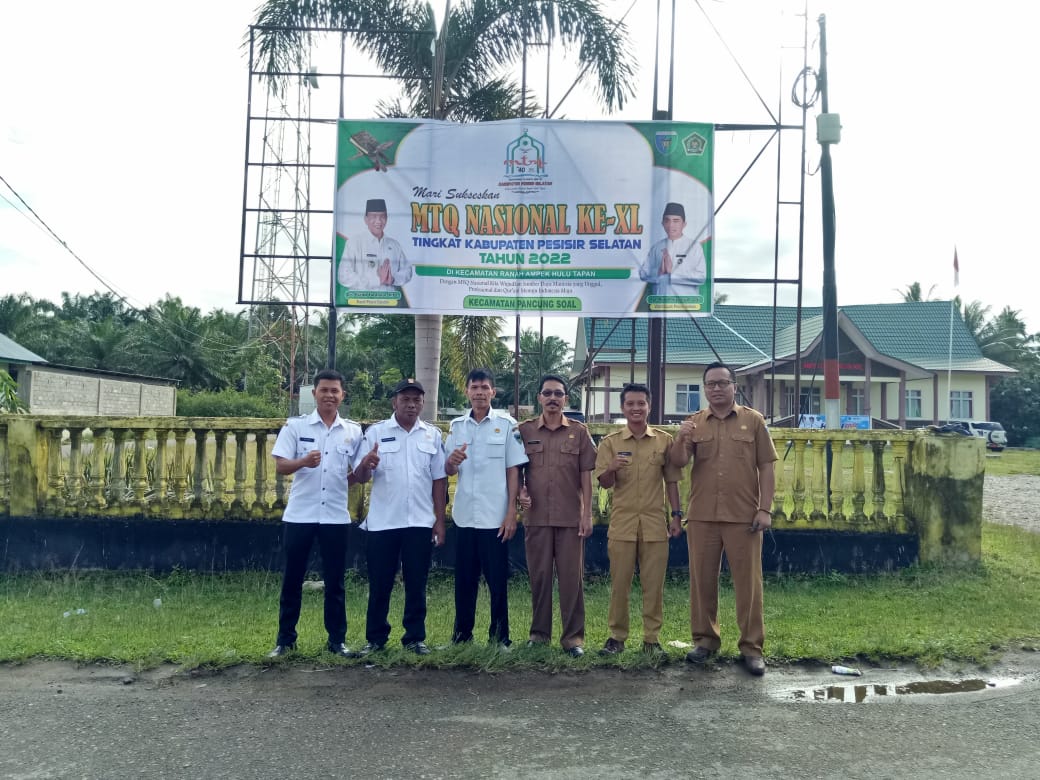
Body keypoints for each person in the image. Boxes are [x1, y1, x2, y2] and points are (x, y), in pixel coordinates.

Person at [669, 361, 778, 676]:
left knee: (749, 584)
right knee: (701, 581)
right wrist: (680, 438)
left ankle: (752, 648)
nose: (716, 388)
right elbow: (677, 463)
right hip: (702, 515)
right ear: (704, 389)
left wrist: (765, 509)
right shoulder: (694, 423)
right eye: (711, 384)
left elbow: (767, 466)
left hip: (743, 515)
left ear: (734, 386)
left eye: (722, 383)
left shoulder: (753, 421)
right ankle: (705, 641)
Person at [268, 368, 364, 658]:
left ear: (342, 395)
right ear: (314, 393)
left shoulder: (353, 431)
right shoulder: (296, 427)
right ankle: (285, 641)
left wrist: (367, 465)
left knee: (335, 582)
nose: (329, 395)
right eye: (324, 390)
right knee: (292, 579)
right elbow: (281, 466)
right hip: (301, 515)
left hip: (335, 517)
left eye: (335, 391)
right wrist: (303, 462)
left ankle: (337, 641)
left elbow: (359, 475)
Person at [351, 378, 447, 656]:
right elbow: (360, 476)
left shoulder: (432, 435)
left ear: (423, 403)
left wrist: (440, 521)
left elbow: (439, 480)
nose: (411, 404)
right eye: (405, 399)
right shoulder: (376, 433)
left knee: (417, 583)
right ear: (394, 402)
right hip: (384, 522)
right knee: (380, 583)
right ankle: (376, 639)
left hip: (419, 522)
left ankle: (415, 638)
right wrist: (366, 464)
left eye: (417, 400)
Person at [594, 383, 683, 656]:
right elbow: (604, 483)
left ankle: (651, 640)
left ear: (649, 406)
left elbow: (672, 482)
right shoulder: (610, 443)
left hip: (655, 524)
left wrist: (676, 515)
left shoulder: (664, 441)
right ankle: (616, 637)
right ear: (622, 408)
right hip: (622, 525)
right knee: (620, 585)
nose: (636, 408)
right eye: (630, 403)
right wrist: (611, 468)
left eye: (641, 403)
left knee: (653, 586)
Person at [444, 368, 528, 648]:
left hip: (495, 517)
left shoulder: (507, 425)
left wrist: (511, 513)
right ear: (466, 391)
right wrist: (452, 462)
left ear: (493, 392)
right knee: (464, 581)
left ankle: (500, 638)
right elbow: (447, 468)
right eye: (474, 387)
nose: (479, 392)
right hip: (465, 516)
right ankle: (461, 637)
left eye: (484, 387)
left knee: (497, 581)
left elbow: (513, 470)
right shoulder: (457, 426)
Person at [516, 374, 597, 657]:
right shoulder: (524, 430)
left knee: (571, 580)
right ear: (539, 397)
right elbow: (516, 470)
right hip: (536, 517)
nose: (553, 398)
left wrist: (587, 514)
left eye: (558, 394)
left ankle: (573, 639)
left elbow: (586, 476)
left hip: (570, 518)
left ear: (566, 399)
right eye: (548, 393)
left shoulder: (579, 432)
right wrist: (520, 492)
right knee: (539, 578)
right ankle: (539, 635)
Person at [337, 198, 413, 291]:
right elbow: (344, 275)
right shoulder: (354, 242)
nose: (378, 221)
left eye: (382, 216)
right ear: (366, 219)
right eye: (374, 216)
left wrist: (392, 279)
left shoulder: (394, 245)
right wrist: (377, 280)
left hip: (389, 299)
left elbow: (407, 271)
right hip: (361, 299)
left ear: (386, 218)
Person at [638, 202, 708, 297]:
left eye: (676, 221)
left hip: (685, 303)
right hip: (659, 302)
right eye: (667, 220)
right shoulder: (656, 247)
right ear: (662, 223)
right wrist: (658, 272)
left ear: (684, 224)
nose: (671, 225)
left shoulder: (694, 246)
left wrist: (673, 272)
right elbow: (643, 273)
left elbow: (701, 277)